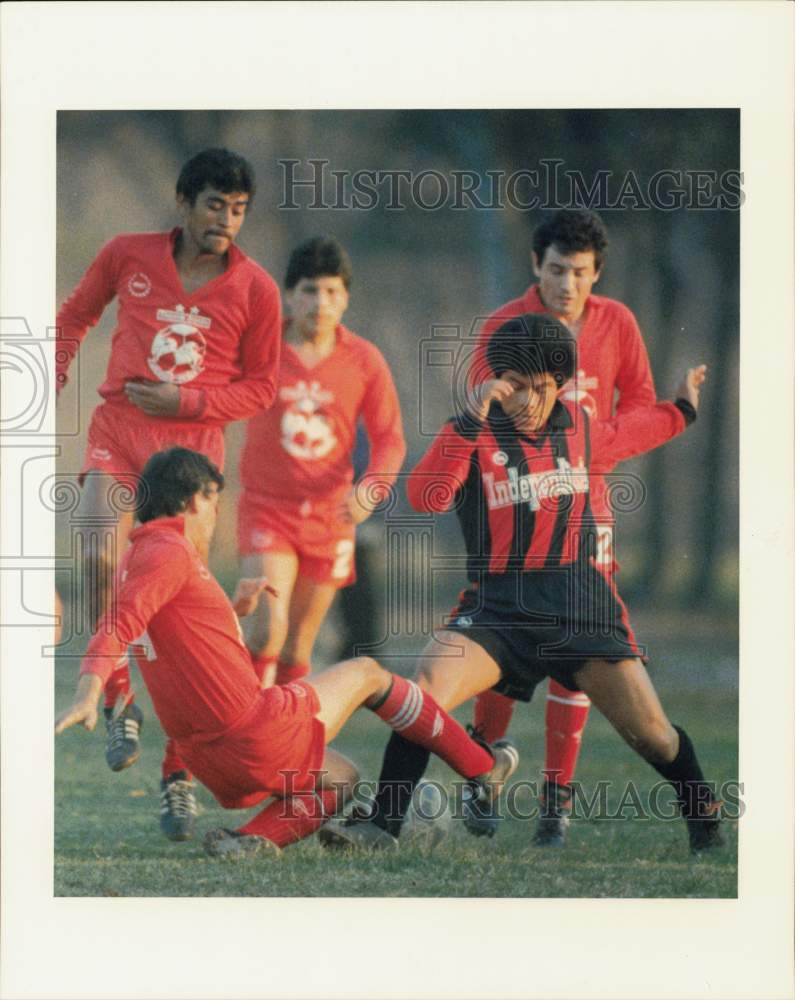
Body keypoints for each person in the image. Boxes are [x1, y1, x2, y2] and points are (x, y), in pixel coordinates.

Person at [320, 314, 723, 856]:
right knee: (426, 691)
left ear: (559, 383)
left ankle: (705, 816)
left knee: (651, 734)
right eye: (515, 386)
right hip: (498, 606)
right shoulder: (476, 430)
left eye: (539, 387)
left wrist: (682, 409)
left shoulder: (578, 425)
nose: (527, 401)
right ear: (497, 381)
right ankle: (381, 825)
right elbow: (426, 498)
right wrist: (469, 418)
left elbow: (629, 433)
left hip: (580, 605)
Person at [54, 447, 518, 858]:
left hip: (210, 761)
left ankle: (252, 839)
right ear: (196, 499)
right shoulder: (168, 551)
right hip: (251, 734)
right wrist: (88, 690)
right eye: (215, 501)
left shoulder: (141, 558)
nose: (216, 518)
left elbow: (169, 634)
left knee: (341, 778)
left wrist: (233, 607)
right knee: (369, 673)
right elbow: (118, 626)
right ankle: (484, 767)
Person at [55, 148, 282, 837]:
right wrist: (52, 373)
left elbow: (262, 386)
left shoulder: (256, 289)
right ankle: (120, 697)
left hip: (190, 463)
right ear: (184, 202)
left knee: (179, 623)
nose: (226, 221)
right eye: (215, 205)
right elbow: (75, 317)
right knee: (98, 555)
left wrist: (185, 399)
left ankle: (176, 781)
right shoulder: (127, 253)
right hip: (119, 433)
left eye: (238, 210)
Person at [466, 208, 658, 844]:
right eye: (555, 269)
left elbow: (641, 405)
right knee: (504, 633)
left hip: (589, 502)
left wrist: (590, 448)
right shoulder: (505, 324)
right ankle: (482, 768)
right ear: (534, 266)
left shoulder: (619, 323)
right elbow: (478, 407)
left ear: (596, 273)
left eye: (580, 273)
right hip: (517, 498)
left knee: (582, 642)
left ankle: (556, 800)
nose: (567, 284)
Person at [235, 236, 405, 687]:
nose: (321, 303)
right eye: (310, 290)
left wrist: (371, 490)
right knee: (267, 629)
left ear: (346, 298)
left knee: (297, 645)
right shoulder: (262, 346)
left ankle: (284, 740)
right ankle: (250, 737)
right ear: (291, 293)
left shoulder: (364, 360)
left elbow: (390, 439)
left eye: (332, 292)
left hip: (332, 516)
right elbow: (217, 393)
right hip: (268, 508)